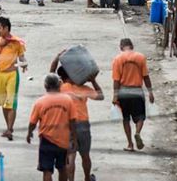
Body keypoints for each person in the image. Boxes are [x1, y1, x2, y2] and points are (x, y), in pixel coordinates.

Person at [50, 53, 103, 181]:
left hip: (66, 125)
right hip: (83, 124)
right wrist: (93, 81)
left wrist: (57, 57)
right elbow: (101, 96)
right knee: (85, 155)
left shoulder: (59, 88)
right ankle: (86, 178)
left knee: (70, 156)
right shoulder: (83, 88)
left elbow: (51, 72)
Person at [27, 74, 78, 181]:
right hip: (63, 140)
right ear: (59, 85)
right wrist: (74, 138)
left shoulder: (40, 102)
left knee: (47, 170)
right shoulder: (68, 100)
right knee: (62, 168)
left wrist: (29, 133)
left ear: (45, 85)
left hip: (46, 140)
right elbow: (73, 121)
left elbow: (33, 122)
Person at [0, 17, 27, 141]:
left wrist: (25, 64)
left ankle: (10, 129)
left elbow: (22, 58)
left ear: (6, 28)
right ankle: (8, 127)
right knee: (4, 103)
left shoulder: (17, 42)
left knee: (11, 103)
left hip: (12, 75)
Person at [111, 39, 154, 152]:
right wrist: (150, 92)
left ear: (121, 47)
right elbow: (146, 77)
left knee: (126, 119)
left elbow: (116, 80)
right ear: (132, 46)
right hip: (137, 92)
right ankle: (137, 133)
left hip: (123, 92)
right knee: (140, 117)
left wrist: (115, 96)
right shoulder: (140, 57)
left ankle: (130, 144)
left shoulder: (117, 59)